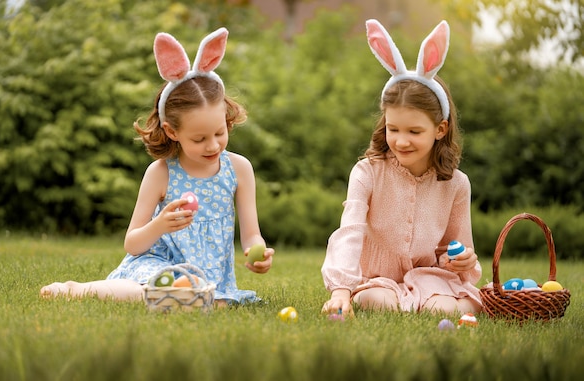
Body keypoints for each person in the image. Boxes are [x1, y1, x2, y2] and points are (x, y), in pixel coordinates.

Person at [40, 27, 274, 306]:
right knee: (157, 291)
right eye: (199, 139)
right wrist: (160, 225)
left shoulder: (239, 168)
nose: (213, 146)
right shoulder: (161, 173)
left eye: (220, 132)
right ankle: (77, 290)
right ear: (172, 131)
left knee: (214, 301)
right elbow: (133, 243)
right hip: (156, 265)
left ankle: (184, 296)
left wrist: (256, 253)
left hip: (209, 279)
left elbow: (251, 234)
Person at [321, 20, 482, 317]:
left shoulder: (456, 183)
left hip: (430, 278)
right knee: (377, 302)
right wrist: (341, 288)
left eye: (414, 132)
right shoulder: (367, 172)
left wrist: (463, 261)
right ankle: (413, 303)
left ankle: (434, 303)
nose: (401, 141)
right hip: (378, 281)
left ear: (440, 129)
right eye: (393, 129)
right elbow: (350, 231)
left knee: (441, 308)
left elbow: (452, 249)